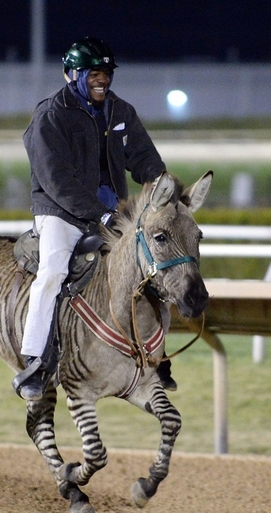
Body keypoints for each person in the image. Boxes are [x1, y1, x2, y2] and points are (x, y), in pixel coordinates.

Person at [14, 36, 176, 401]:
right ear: (73, 74)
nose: (102, 80)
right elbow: (57, 181)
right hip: (61, 213)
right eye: (94, 74)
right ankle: (34, 361)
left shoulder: (121, 111)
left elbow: (144, 157)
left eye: (106, 73)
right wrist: (99, 213)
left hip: (112, 214)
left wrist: (161, 185)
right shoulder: (50, 116)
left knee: (153, 266)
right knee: (53, 271)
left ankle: (156, 356)